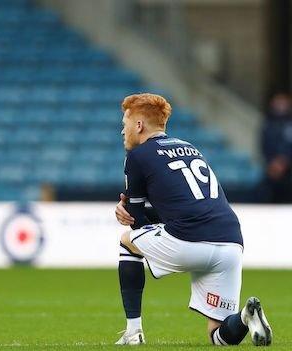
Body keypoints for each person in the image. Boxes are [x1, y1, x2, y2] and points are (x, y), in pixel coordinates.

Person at [114, 93, 272, 345]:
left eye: (125, 124)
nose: (123, 131)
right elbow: (186, 205)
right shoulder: (190, 147)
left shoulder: (138, 156)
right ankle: (244, 317)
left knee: (126, 241)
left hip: (190, 241)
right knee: (219, 336)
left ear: (139, 126)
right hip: (231, 243)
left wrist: (126, 214)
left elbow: (138, 222)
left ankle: (133, 332)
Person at [260, 93, 292, 203]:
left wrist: (284, 162)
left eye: (283, 102)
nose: (281, 105)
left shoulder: (290, 123)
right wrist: (272, 163)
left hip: (288, 172)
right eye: (278, 102)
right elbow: (264, 146)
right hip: (271, 170)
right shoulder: (267, 124)